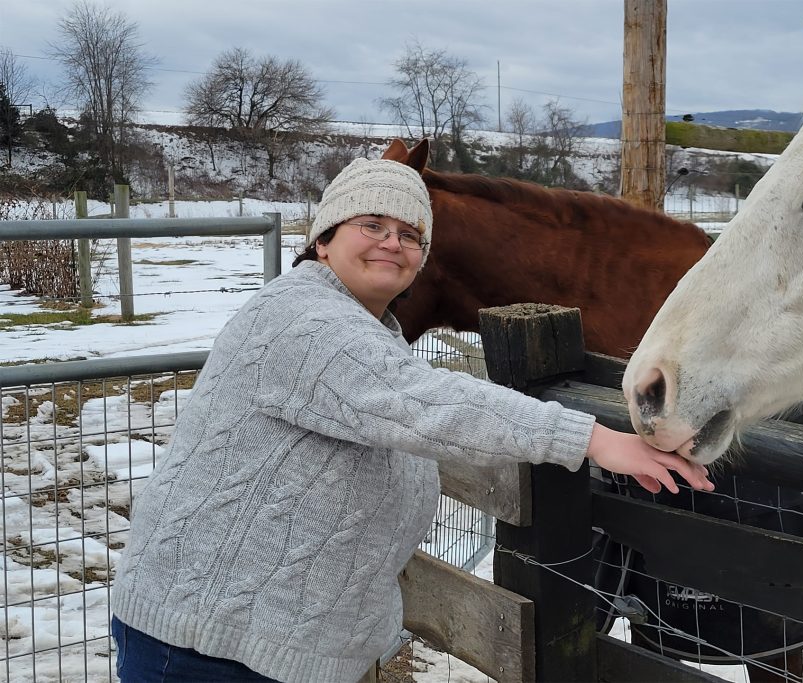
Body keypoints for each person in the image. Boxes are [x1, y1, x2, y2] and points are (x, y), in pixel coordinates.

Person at [109, 153, 715, 683]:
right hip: (204, 649)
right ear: (323, 240)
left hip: (269, 649)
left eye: (410, 234)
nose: (392, 243)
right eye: (371, 225)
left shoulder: (371, 334)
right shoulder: (301, 319)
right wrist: (591, 438)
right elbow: (427, 402)